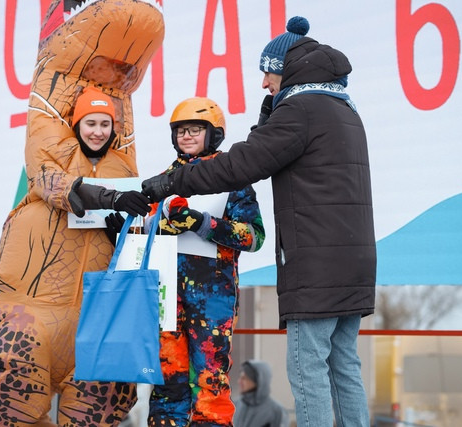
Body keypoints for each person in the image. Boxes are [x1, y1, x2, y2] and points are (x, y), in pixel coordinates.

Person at [142, 16, 376, 427]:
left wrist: (173, 190)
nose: (264, 83)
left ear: (286, 70)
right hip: (351, 260)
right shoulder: (341, 106)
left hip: (315, 265)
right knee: (343, 364)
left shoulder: (300, 109)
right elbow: (269, 148)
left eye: (268, 73)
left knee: (306, 367)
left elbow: (243, 165)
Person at [0, 86, 151, 426]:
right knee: (9, 402)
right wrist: (110, 198)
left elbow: (139, 254)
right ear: (76, 125)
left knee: (99, 404)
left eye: (105, 124)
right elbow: (54, 182)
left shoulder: (126, 174)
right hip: (32, 322)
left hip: (94, 329)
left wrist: (122, 234)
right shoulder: (50, 170)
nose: (98, 132)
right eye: (90, 123)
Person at [140, 97, 265, 427]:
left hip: (212, 299)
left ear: (214, 134)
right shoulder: (161, 182)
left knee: (210, 380)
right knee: (167, 380)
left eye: (195, 129)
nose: (187, 136)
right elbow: (142, 233)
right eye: (181, 130)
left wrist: (203, 224)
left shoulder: (232, 178)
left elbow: (254, 237)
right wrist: (154, 225)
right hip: (166, 297)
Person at [233, 359, 289, 427]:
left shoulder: (276, 411)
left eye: (244, 378)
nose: (239, 381)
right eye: (240, 377)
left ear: (258, 380)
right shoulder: (235, 405)